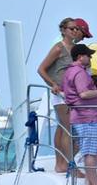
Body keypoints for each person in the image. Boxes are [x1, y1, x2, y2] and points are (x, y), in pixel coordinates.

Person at [36, 17, 86, 172]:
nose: (75, 31)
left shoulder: (75, 50)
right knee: (68, 129)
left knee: (63, 128)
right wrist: (53, 84)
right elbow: (41, 69)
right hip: (62, 94)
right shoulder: (59, 48)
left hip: (72, 93)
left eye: (77, 28)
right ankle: (71, 165)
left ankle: (61, 164)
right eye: (72, 28)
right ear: (63, 30)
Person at [63, 44, 97, 185]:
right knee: (91, 152)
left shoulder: (69, 72)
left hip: (81, 116)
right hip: (86, 116)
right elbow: (83, 94)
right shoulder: (80, 73)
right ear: (80, 57)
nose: (90, 58)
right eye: (88, 55)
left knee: (89, 150)